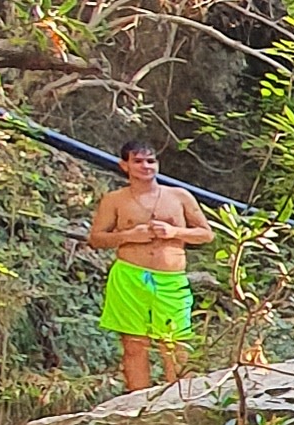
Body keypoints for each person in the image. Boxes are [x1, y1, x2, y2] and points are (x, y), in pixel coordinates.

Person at [83, 139, 216, 392]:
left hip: (171, 279)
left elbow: (206, 234)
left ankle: (181, 400)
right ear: (125, 165)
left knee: (175, 343)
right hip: (129, 277)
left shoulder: (179, 196)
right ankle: (138, 402)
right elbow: (96, 239)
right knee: (134, 345)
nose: (146, 166)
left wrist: (174, 231)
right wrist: (129, 235)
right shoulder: (115, 200)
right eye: (138, 161)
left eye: (151, 161)